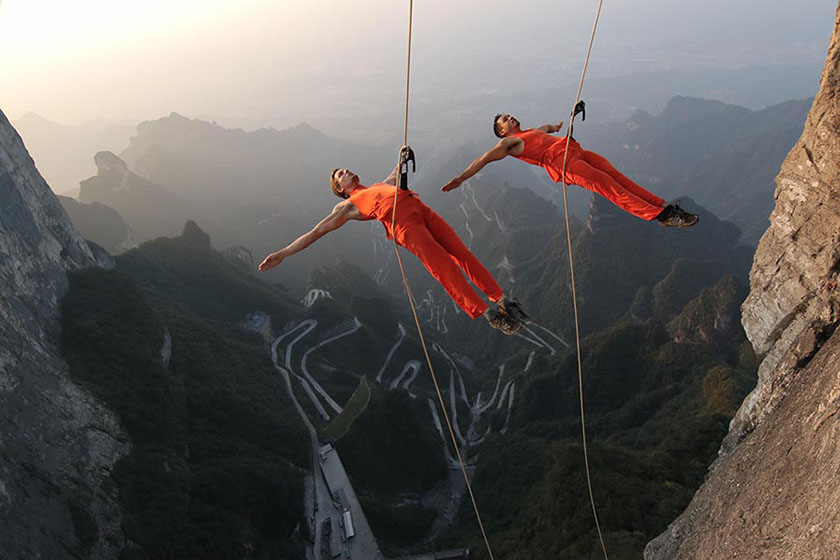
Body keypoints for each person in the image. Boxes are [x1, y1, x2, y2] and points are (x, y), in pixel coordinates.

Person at [258, 166, 531, 334]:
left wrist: (402, 156)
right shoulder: (347, 206)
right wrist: (283, 253)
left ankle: (503, 300)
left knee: (462, 254)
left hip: (421, 211)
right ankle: (489, 314)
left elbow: (392, 175)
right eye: (340, 174)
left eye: (343, 169)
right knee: (445, 269)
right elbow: (316, 232)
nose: (345, 171)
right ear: (340, 190)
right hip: (406, 227)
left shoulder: (376, 186)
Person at [442, 113, 699, 227]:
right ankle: (659, 216)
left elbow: (544, 129)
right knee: (612, 189)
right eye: (505, 120)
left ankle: (663, 207)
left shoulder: (528, 132)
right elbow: (484, 159)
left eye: (509, 115)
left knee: (620, 179)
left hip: (577, 152)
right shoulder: (509, 143)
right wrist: (461, 178)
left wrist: (557, 126)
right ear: (502, 132)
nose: (510, 118)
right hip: (566, 164)